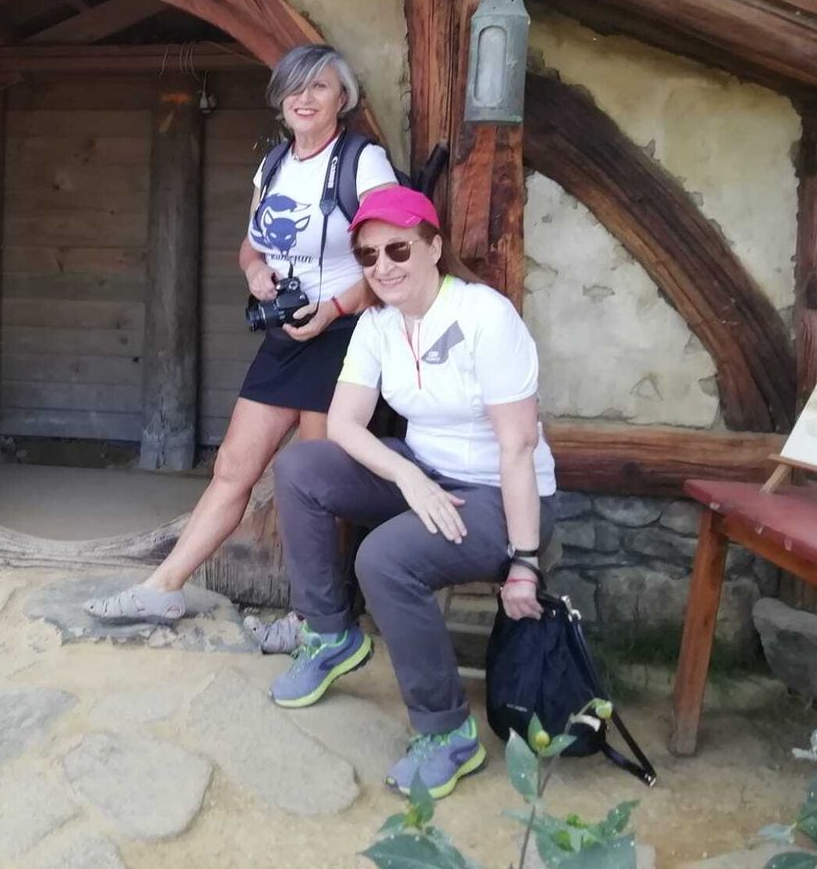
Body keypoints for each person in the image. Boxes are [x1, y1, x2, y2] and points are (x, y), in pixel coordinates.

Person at [84, 45, 397, 624]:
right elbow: (252, 244)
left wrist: (332, 309)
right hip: (287, 332)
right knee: (233, 465)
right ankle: (164, 588)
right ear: (279, 99)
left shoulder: (363, 163)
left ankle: (315, 619)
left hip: (347, 335)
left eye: (320, 88)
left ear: (342, 99)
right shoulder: (274, 165)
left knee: (317, 481)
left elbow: (389, 260)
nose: (305, 98)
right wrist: (255, 271)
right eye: (293, 88)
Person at [264, 183, 556, 801]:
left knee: (383, 559)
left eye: (398, 249)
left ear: (434, 246)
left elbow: (518, 447)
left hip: (497, 495)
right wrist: (409, 475)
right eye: (369, 257)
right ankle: (330, 633)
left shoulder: (484, 315)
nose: (384, 267)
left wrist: (525, 562)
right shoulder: (377, 324)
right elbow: (343, 423)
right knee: (302, 468)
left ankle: (447, 732)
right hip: (423, 473)